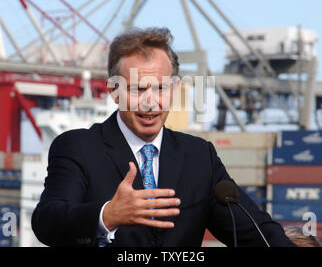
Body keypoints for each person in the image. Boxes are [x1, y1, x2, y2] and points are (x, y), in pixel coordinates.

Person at [31, 27, 296, 247]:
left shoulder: (199, 156)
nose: (150, 103)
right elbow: (47, 221)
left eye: (161, 88)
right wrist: (107, 215)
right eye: (138, 89)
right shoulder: (78, 147)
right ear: (113, 91)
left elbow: (255, 231)